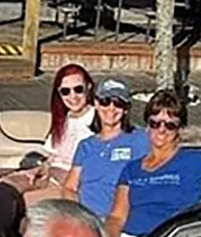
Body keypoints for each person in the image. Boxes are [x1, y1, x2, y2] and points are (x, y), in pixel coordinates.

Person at [104, 89, 201, 237]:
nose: (161, 130)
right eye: (155, 123)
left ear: (180, 129)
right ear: (147, 126)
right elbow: (117, 217)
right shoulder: (132, 168)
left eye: (170, 125)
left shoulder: (193, 161)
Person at [0, 63, 97, 237]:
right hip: (49, 172)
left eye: (78, 89)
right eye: (65, 92)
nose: (73, 96)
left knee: (23, 203)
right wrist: (38, 170)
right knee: (2, 188)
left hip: (70, 181)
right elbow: (52, 154)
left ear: (89, 87)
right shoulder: (65, 118)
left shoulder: (97, 119)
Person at [62, 77, 149, 219]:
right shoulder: (86, 145)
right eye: (105, 101)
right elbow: (69, 187)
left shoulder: (140, 139)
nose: (111, 108)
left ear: (126, 109)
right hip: (85, 219)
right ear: (96, 103)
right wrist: (78, 216)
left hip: (119, 220)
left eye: (118, 103)